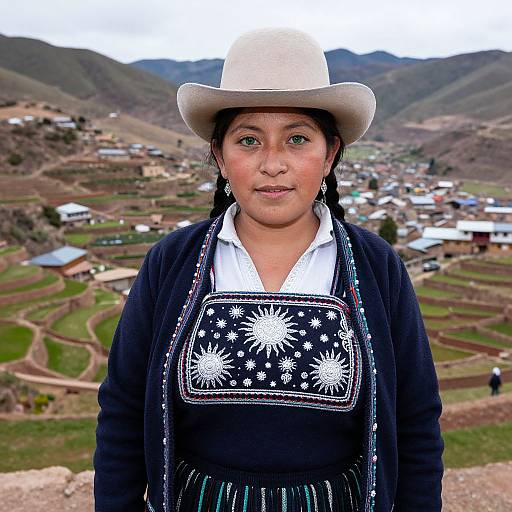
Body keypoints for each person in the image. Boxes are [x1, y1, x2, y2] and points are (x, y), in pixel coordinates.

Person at [93, 27, 444, 512]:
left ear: (331, 154)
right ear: (219, 156)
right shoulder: (172, 263)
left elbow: (416, 420)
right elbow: (124, 411)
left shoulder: (375, 266)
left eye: (297, 139)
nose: (273, 163)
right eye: (249, 140)